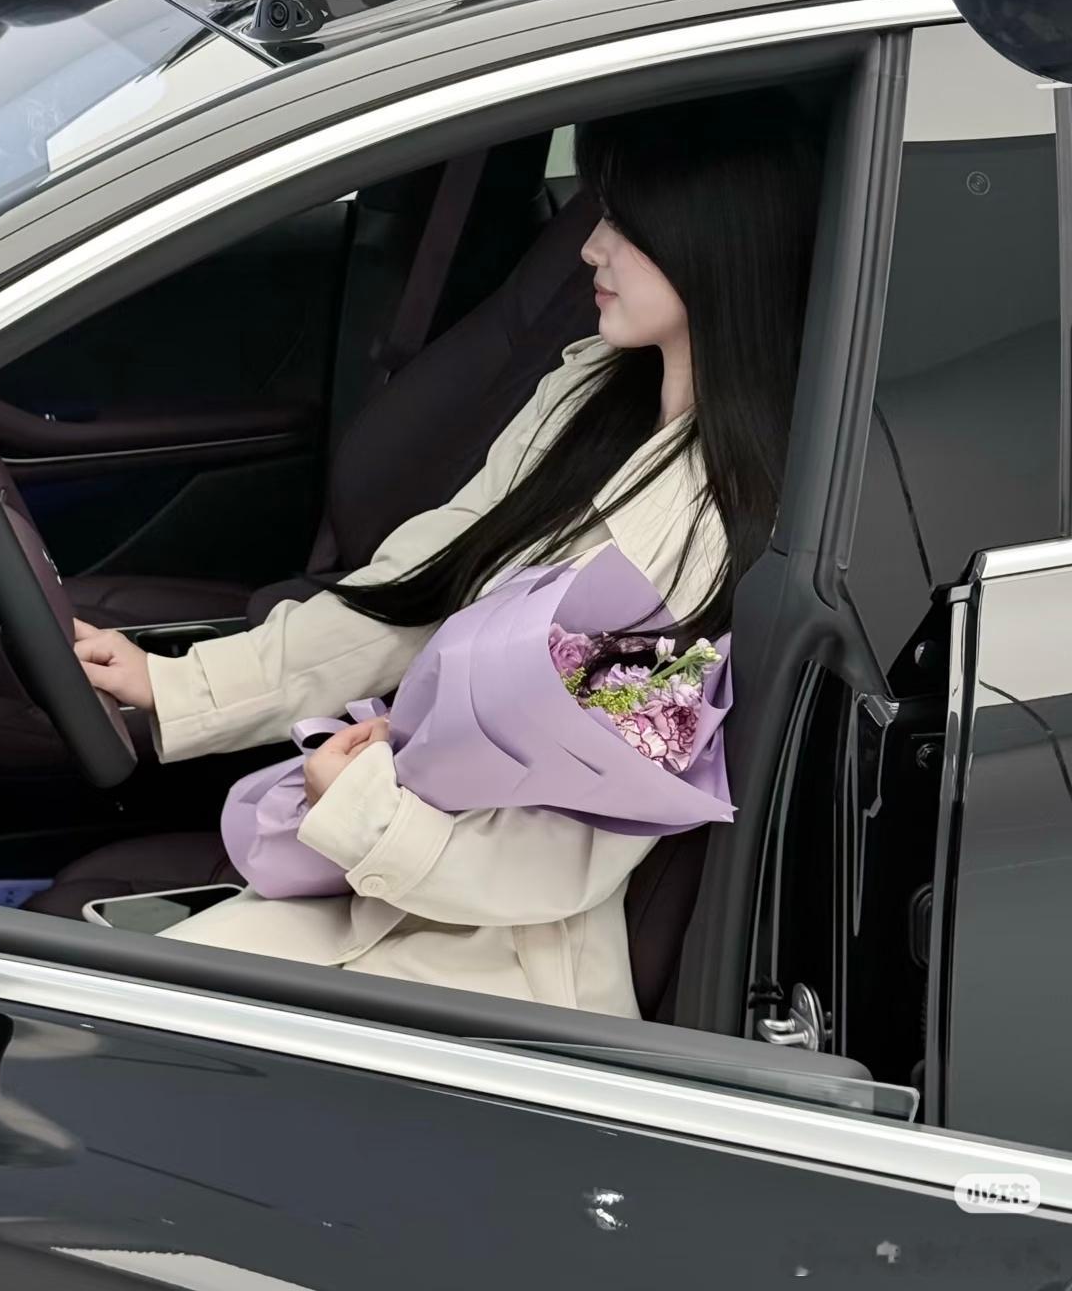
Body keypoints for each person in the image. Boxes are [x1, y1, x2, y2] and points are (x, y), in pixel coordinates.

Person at [45, 92, 821, 1015]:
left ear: (714, 247)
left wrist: (362, 808)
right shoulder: (592, 396)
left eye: (623, 223)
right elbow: (419, 587)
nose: (589, 248)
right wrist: (187, 683)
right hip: (396, 875)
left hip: (498, 962)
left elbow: (569, 850)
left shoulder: (700, 542)